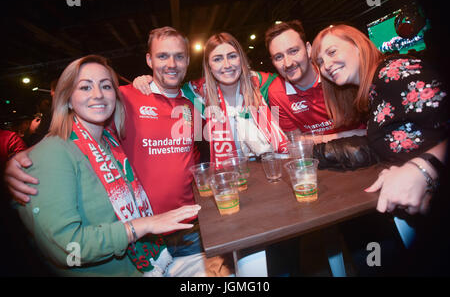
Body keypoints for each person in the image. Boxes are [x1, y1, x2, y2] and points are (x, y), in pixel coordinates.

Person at [4, 27, 233, 276]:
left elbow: (197, 152)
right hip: (141, 239)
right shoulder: (123, 98)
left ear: (188, 60)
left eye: (179, 56)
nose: (171, 64)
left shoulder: (193, 102)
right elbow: (69, 132)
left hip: (190, 231)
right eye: (162, 56)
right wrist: (21, 158)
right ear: (149, 60)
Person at [311, 24, 448, 216]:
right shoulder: (372, 91)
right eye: (320, 62)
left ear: (358, 46)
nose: (326, 65)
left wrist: (423, 169)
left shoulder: (393, 72)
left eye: (332, 52)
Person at [133, 32, 289, 167]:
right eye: (217, 59)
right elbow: (165, 88)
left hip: (271, 172)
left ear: (241, 59)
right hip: (228, 179)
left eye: (232, 56)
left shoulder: (263, 84)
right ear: (209, 65)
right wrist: (145, 81)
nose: (227, 65)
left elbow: (295, 78)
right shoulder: (196, 94)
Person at [264, 20, 366, 141]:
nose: (288, 63)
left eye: (293, 51)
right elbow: (293, 140)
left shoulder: (335, 73)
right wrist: (346, 136)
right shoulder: (274, 93)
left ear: (308, 49)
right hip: (319, 155)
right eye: (279, 57)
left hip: (364, 144)